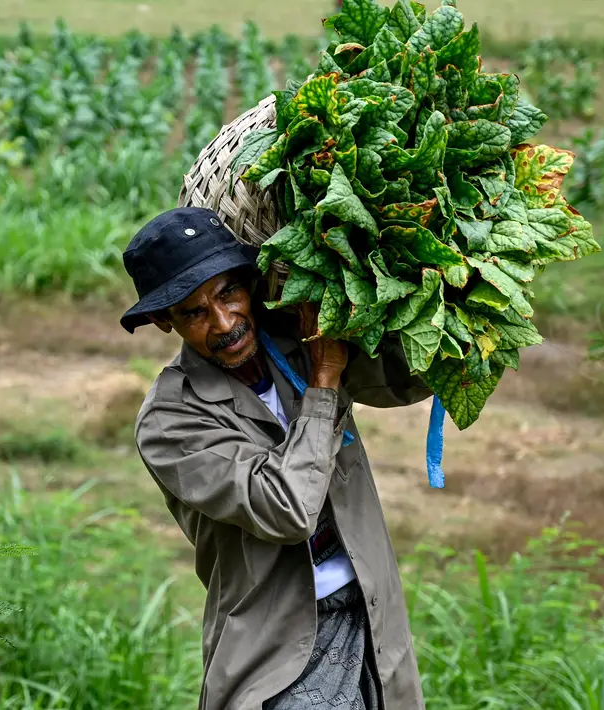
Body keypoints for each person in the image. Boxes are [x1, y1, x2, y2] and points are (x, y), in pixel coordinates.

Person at [121, 206, 431, 710]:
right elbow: (288, 510)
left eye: (228, 294)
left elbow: (403, 380)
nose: (224, 323)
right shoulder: (170, 421)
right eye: (195, 313)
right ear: (163, 321)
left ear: (249, 283)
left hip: (374, 621)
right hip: (279, 657)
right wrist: (323, 383)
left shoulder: (298, 340)